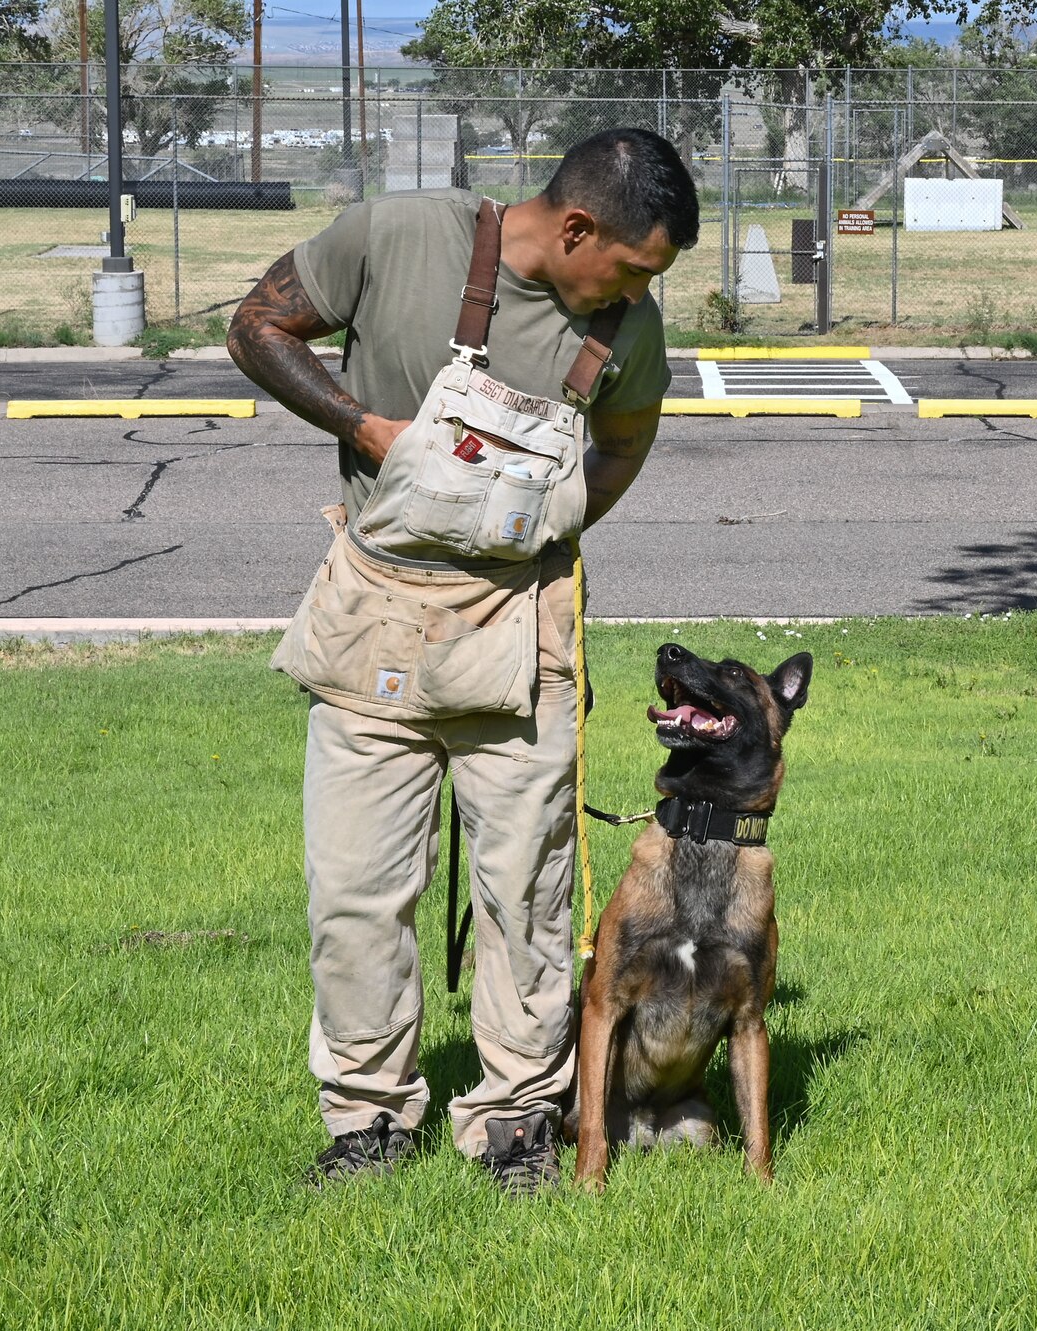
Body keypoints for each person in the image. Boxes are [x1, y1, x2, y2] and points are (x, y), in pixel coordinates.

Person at [226, 127, 696, 1196]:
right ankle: (368, 1123)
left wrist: (555, 521)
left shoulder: (628, 329)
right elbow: (257, 325)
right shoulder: (397, 235)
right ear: (576, 227)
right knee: (354, 894)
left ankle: (515, 1122)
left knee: (525, 894)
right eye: (629, 266)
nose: (636, 290)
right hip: (371, 622)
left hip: (520, 632)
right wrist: (367, 429)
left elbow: (623, 438)